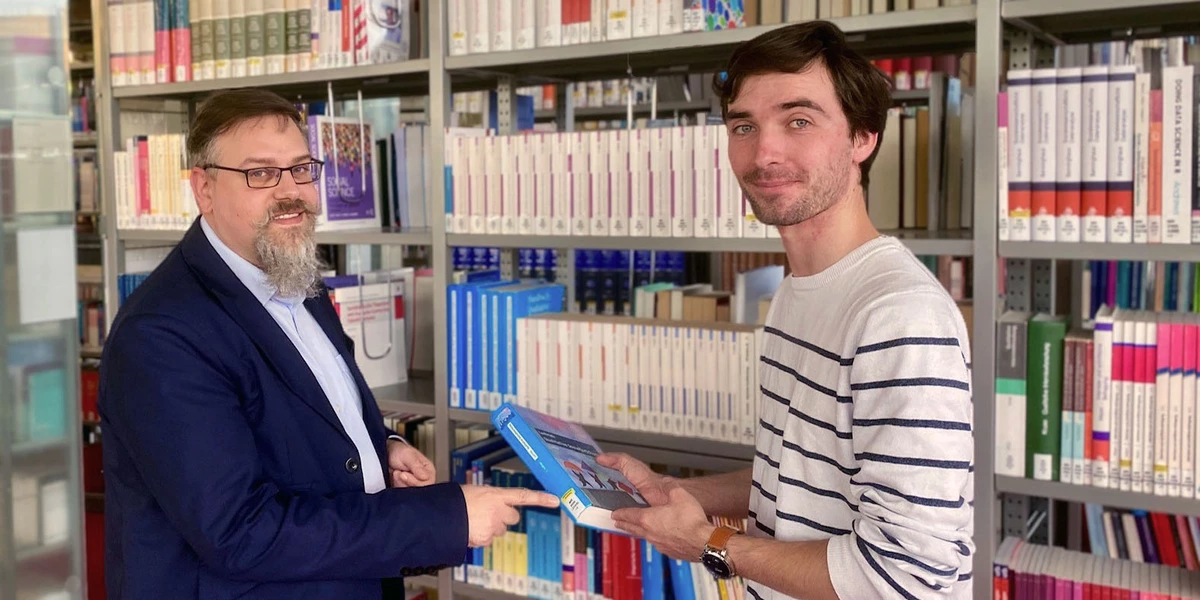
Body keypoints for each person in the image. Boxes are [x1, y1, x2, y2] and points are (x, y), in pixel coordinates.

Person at [98, 88, 558, 600]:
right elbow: (240, 533)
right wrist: (446, 519)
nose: (291, 191)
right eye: (261, 173)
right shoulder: (163, 334)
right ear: (203, 188)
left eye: (300, 168)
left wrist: (379, 450)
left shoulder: (293, 275)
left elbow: (301, 413)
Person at [597, 20, 974, 600]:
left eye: (798, 120)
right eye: (744, 125)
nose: (763, 152)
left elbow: (903, 577)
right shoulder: (798, 290)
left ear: (862, 139)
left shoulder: (900, 317)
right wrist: (679, 494)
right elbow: (797, 478)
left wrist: (708, 544)